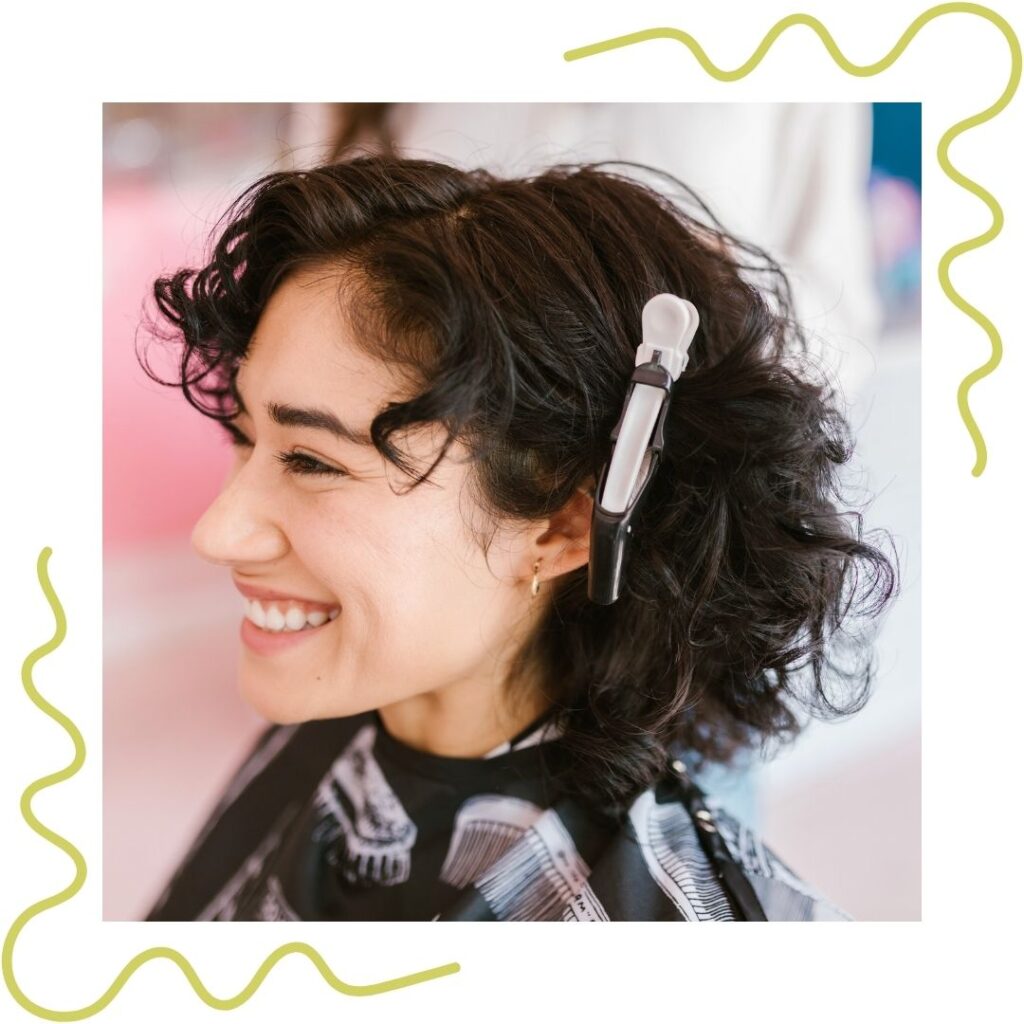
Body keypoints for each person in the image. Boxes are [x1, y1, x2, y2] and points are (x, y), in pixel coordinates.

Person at [138, 155, 896, 921]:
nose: (217, 532)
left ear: (567, 524)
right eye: (244, 438)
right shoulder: (328, 735)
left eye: (310, 459)